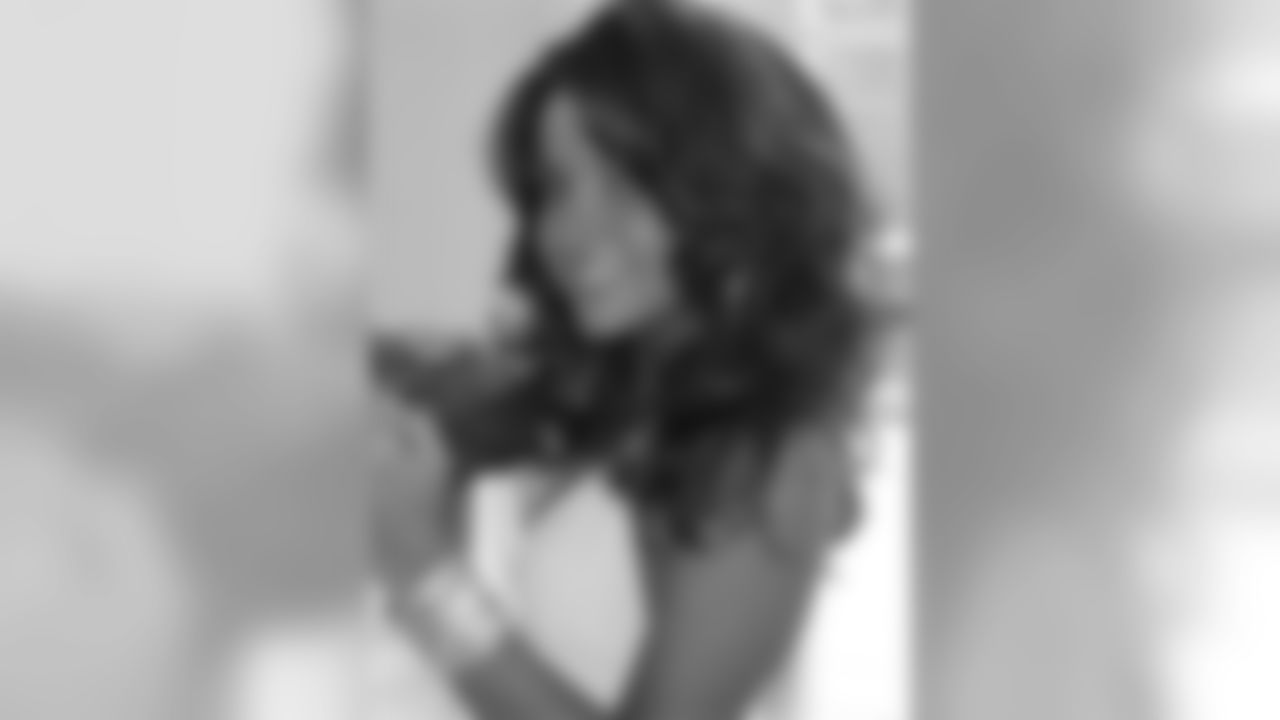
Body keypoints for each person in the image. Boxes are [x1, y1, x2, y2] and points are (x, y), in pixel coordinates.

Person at [368, 1, 883, 718]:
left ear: (731, 189)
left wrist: (427, 577)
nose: (569, 231)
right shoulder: (639, 382)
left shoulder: (766, 456)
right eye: (556, 186)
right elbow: (474, 391)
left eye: (625, 181)